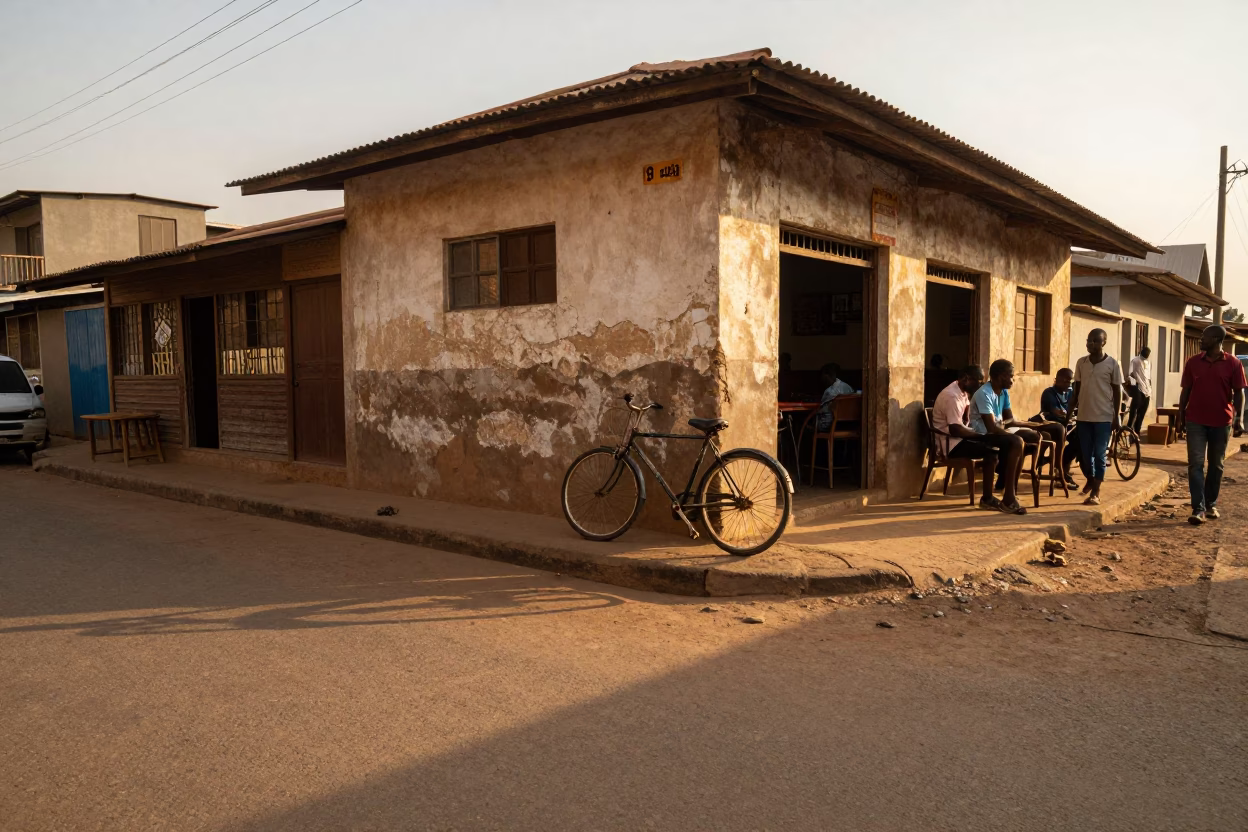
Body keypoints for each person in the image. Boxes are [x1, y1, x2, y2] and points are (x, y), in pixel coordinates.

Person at [1178, 324, 1246, 525]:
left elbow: (1239, 392)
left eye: (1204, 337)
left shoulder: (1233, 364)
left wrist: (1238, 419)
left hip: (1221, 422)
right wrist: (1182, 416)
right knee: (1195, 464)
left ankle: (1210, 504)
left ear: (1216, 340)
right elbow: (1186, 391)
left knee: (1216, 465)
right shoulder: (1193, 363)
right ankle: (1197, 508)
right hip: (1195, 421)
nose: (1200, 340)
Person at [969, 358, 1041, 514]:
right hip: (982, 434)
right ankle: (1008, 498)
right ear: (1000, 376)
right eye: (1010, 376)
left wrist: (1031, 425)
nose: (1012, 380)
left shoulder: (1003, 392)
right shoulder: (984, 393)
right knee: (1016, 442)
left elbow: (1009, 420)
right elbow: (991, 427)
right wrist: (1012, 434)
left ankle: (1008, 486)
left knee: (1034, 436)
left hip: (996, 431)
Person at [932, 364, 1002, 509]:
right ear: (965, 379)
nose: (981, 384)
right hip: (951, 444)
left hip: (958, 439)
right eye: (978, 380)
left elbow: (964, 421)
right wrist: (980, 436)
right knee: (991, 452)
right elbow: (956, 429)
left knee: (995, 445)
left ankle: (997, 491)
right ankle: (987, 498)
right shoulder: (952, 396)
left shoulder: (962, 392)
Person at [1070, 328, 1124, 506]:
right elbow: (1076, 390)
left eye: (1095, 341)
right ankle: (1092, 479)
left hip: (1104, 417)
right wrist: (1069, 413)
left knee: (1099, 455)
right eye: (1088, 341)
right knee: (1085, 456)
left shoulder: (1112, 364)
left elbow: (1117, 391)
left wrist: (1116, 416)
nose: (1090, 344)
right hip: (1084, 416)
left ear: (1103, 343)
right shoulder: (1081, 363)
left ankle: (1096, 492)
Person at [1035, 367, 1080, 489]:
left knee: (1078, 439)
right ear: (1057, 380)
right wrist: (1066, 414)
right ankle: (1060, 473)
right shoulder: (1049, 393)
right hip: (1050, 425)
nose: (1068, 384)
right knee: (1061, 431)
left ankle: (1062, 468)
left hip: (1066, 424)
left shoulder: (1070, 393)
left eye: (1069, 381)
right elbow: (1055, 412)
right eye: (1065, 381)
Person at [817, 363, 854, 431]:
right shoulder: (848, 388)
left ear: (826, 375)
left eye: (821, 375)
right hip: (850, 425)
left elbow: (822, 411)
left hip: (831, 425)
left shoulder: (829, 392)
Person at [1127, 346, 1152, 435]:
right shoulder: (1135, 361)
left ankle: (1137, 432)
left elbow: (1148, 376)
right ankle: (1129, 429)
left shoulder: (1148, 362)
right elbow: (1129, 374)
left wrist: (1150, 388)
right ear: (1141, 352)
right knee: (1134, 411)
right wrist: (1134, 385)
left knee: (1141, 414)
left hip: (1147, 390)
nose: (1147, 354)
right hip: (1138, 388)